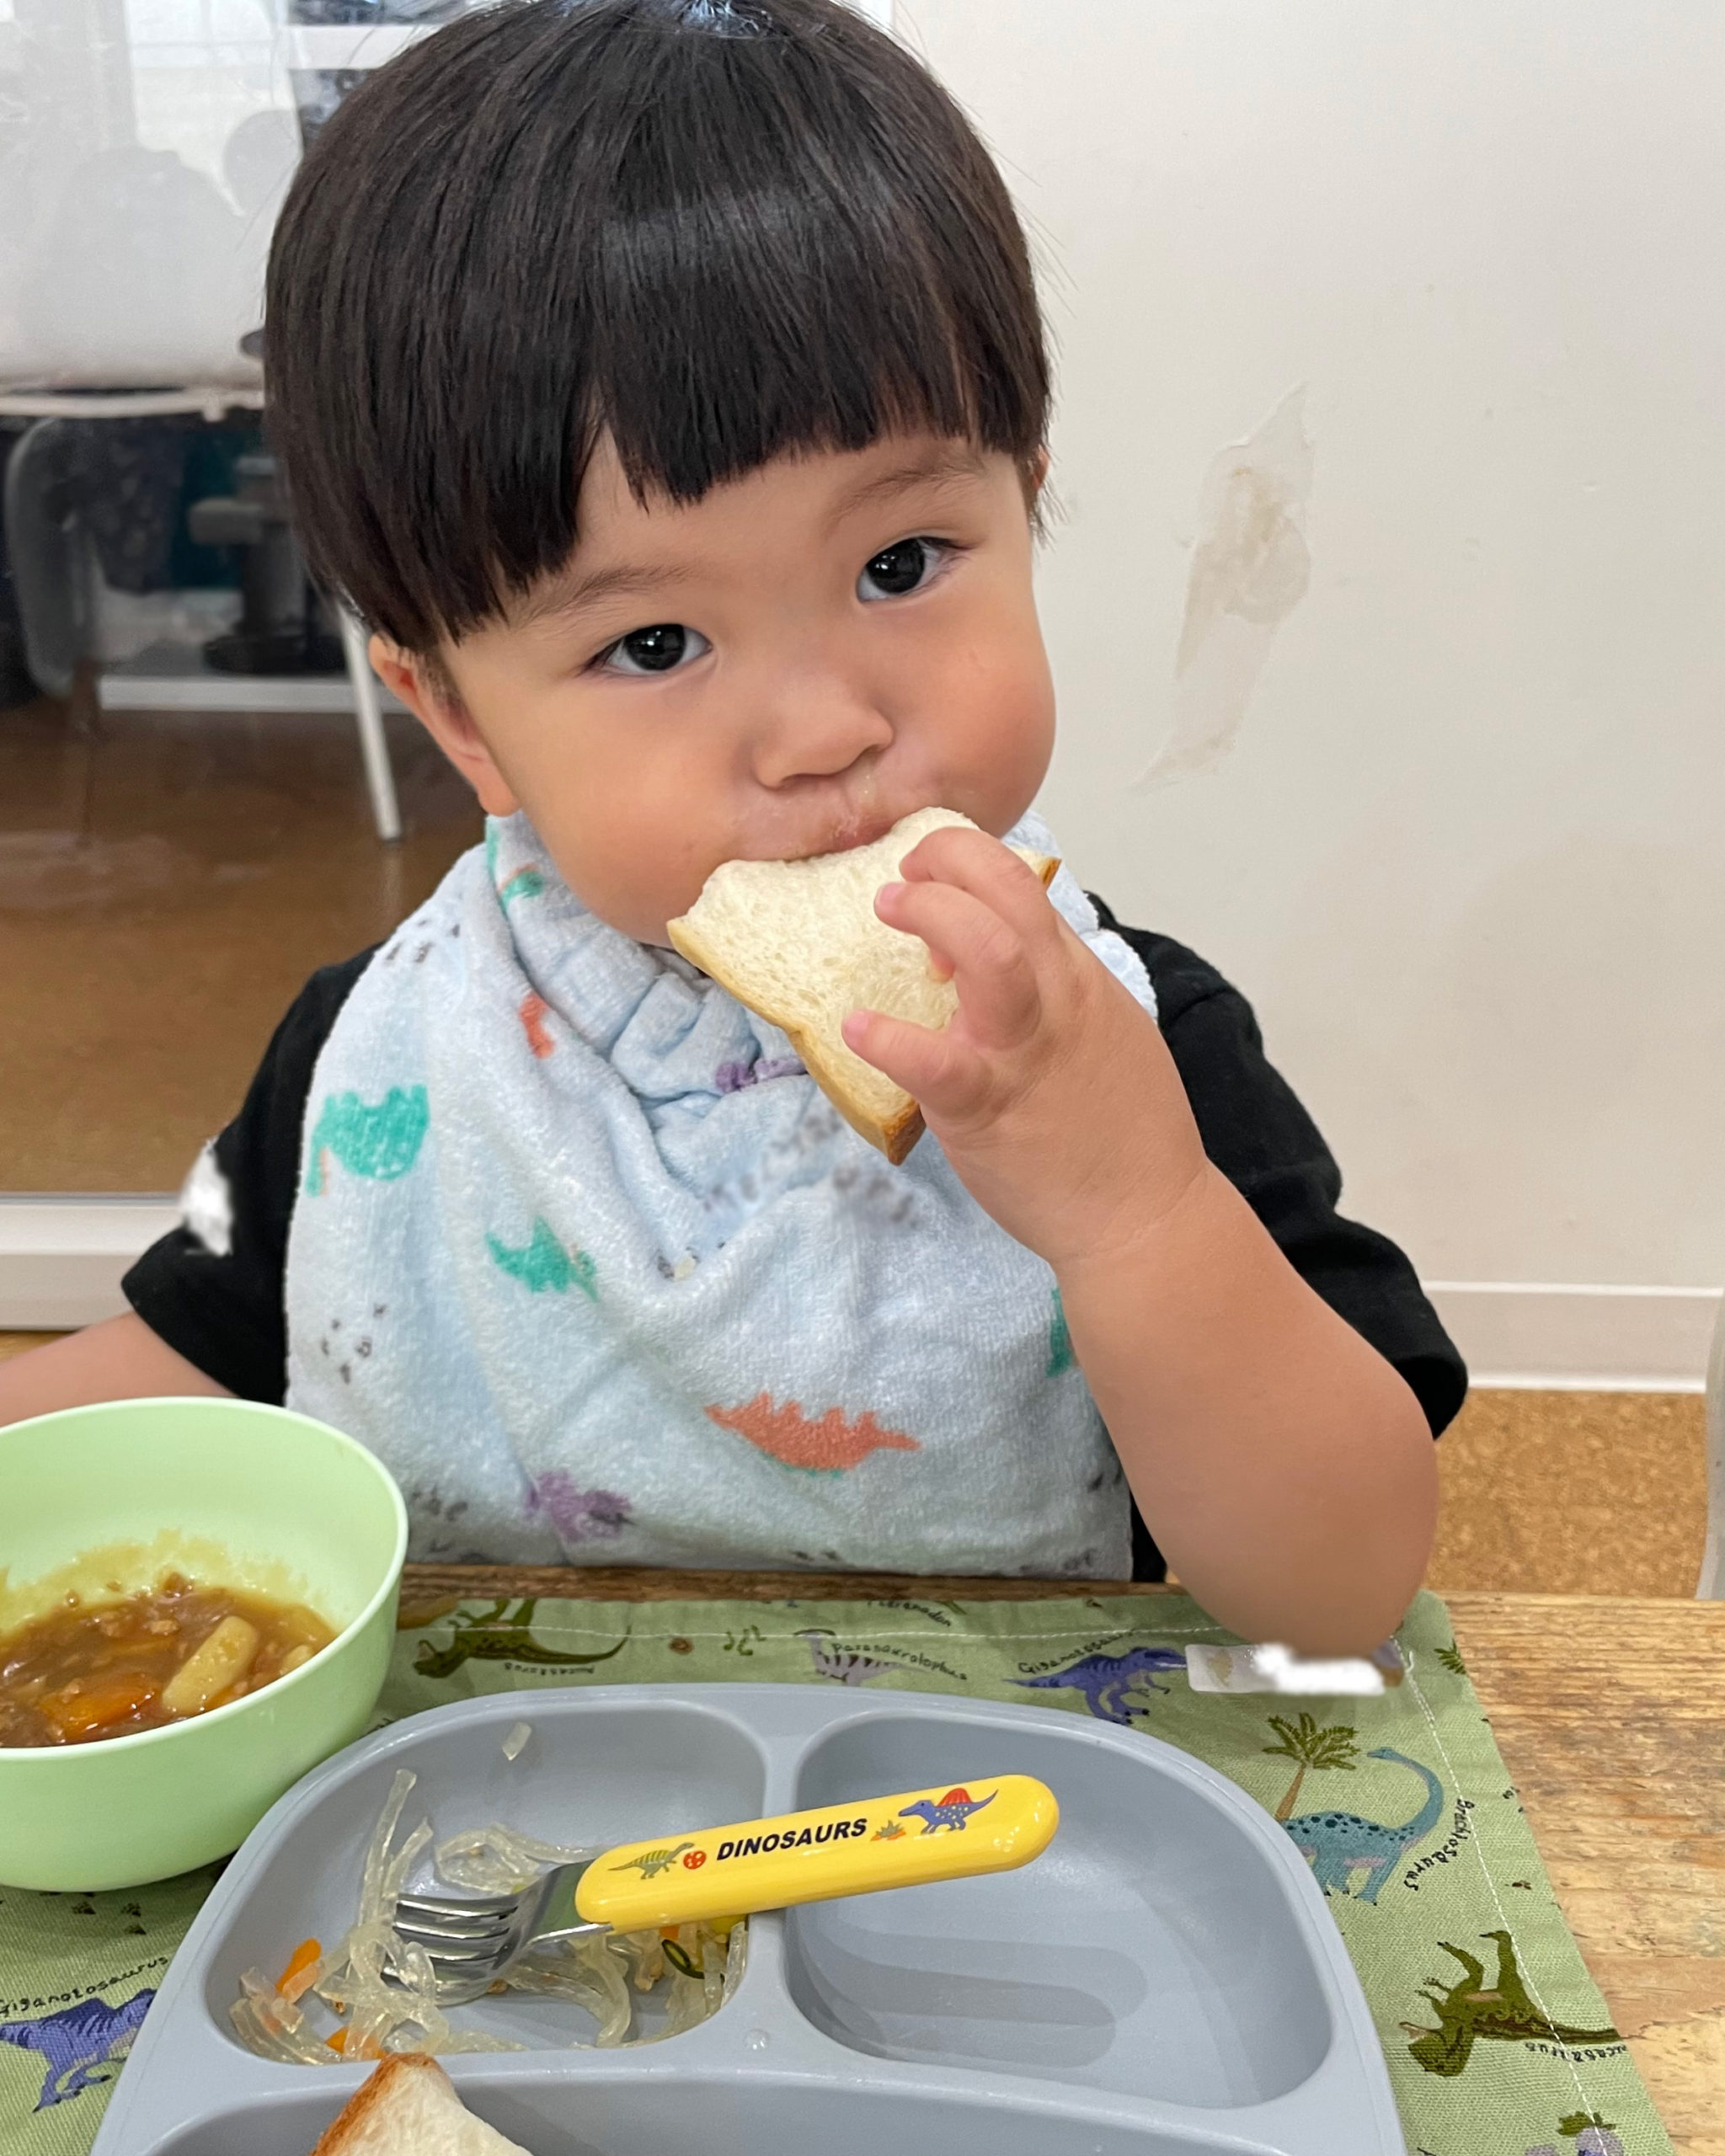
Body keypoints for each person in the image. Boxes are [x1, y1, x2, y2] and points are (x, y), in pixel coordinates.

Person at [0, 0, 1461, 1652]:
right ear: (460, 717)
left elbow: (1335, 1594)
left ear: (1027, 497)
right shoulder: (383, 1061)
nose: (827, 727)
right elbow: (186, 1362)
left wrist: (1137, 1215)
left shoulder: (1133, 1052)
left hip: (974, 1788)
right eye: (652, 644)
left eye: (901, 564)